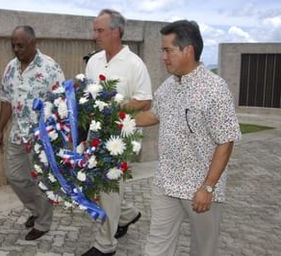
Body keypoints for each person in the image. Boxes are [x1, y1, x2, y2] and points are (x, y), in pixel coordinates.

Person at [135, 20, 241, 256]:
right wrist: (119, 120)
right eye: (163, 50)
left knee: (204, 248)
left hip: (200, 188)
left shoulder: (215, 89)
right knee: (156, 245)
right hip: (167, 182)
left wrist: (208, 187)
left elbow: (226, 140)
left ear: (188, 50)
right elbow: (154, 114)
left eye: (167, 50)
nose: (163, 57)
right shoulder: (168, 86)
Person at [83, 9, 152, 256]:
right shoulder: (93, 61)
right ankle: (128, 214)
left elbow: (145, 101)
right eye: (95, 30)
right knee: (93, 186)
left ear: (116, 32)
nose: (95, 35)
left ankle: (105, 245)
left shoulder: (135, 64)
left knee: (108, 189)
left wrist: (113, 107)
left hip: (120, 139)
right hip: (95, 134)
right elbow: (87, 97)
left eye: (100, 30)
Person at [0, 25, 65, 241]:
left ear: (34, 43)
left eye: (21, 45)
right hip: (17, 135)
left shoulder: (50, 67)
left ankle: (43, 223)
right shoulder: (10, 68)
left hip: (42, 137)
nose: (16, 49)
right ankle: (36, 210)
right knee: (15, 177)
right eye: (13, 45)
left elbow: (62, 104)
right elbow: (6, 100)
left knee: (40, 182)